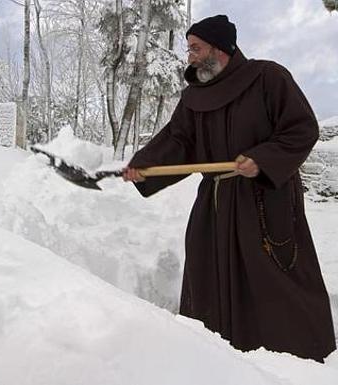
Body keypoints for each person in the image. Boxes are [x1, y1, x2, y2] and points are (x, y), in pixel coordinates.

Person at [123, 15, 336, 362]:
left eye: (196, 48)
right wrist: (144, 165)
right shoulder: (194, 96)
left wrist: (262, 158)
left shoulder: (268, 78)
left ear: (220, 49)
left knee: (271, 280)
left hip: (265, 199)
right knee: (206, 273)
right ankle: (214, 359)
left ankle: (291, 361)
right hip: (215, 203)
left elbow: (301, 128)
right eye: (188, 48)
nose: (189, 56)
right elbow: (178, 139)